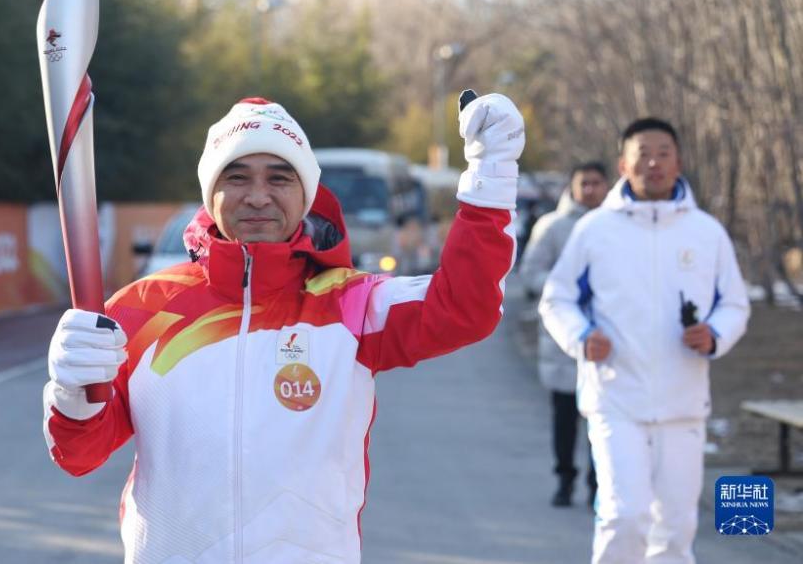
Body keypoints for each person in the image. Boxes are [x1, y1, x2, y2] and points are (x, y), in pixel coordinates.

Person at [43, 92, 525, 563]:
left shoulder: (351, 304)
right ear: (211, 192)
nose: (257, 196)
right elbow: (78, 454)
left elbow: (466, 306)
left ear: (306, 194)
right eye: (236, 177)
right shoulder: (140, 311)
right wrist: (71, 392)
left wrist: (491, 181)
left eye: (279, 178)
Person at [540, 118, 750, 564]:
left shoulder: (706, 232)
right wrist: (581, 337)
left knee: (675, 531)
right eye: (643, 153)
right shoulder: (595, 230)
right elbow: (556, 299)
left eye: (663, 153)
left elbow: (735, 304)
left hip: (683, 404)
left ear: (679, 162)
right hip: (616, 398)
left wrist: (714, 335)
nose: (653, 163)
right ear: (624, 164)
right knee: (625, 516)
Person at [519, 161, 609, 507]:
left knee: (600, 416)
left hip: (607, 337)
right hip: (564, 340)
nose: (590, 189)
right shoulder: (552, 227)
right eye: (583, 183)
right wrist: (566, 293)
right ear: (572, 187)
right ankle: (565, 478)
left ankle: (599, 483)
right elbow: (531, 271)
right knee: (565, 417)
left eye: (596, 183)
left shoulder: (617, 226)